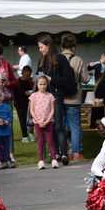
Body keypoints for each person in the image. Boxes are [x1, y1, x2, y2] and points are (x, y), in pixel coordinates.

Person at [36, 34, 75, 166]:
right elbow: (38, 79)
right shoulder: (41, 61)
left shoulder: (60, 59)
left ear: (48, 46)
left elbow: (68, 79)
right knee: (49, 127)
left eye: (41, 47)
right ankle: (55, 153)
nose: (40, 50)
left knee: (59, 125)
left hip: (56, 96)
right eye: (39, 47)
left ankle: (63, 153)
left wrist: (52, 79)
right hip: (44, 98)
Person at [60, 33, 89, 161]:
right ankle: (77, 153)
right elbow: (85, 79)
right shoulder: (78, 59)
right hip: (74, 97)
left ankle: (63, 152)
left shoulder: (57, 58)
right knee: (75, 126)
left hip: (60, 97)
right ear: (74, 46)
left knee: (62, 126)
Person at [29, 76, 58, 169]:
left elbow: (52, 110)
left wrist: (47, 120)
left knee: (50, 142)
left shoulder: (50, 96)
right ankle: (41, 161)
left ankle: (54, 159)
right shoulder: (33, 96)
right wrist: (38, 121)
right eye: (40, 84)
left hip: (48, 122)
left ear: (47, 85)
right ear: (37, 85)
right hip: (38, 123)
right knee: (40, 142)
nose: (42, 86)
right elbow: (32, 110)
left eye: (44, 84)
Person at [13, 66, 34, 143]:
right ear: (22, 73)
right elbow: (18, 93)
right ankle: (25, 136)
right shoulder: (17, 82)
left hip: (29, 103)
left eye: (29, 75)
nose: (27, 76)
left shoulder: (30, 82)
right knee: (22, 119)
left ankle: (30, 134)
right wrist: (27, 93)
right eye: (26, 75)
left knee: (30, 120)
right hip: (19, 104)